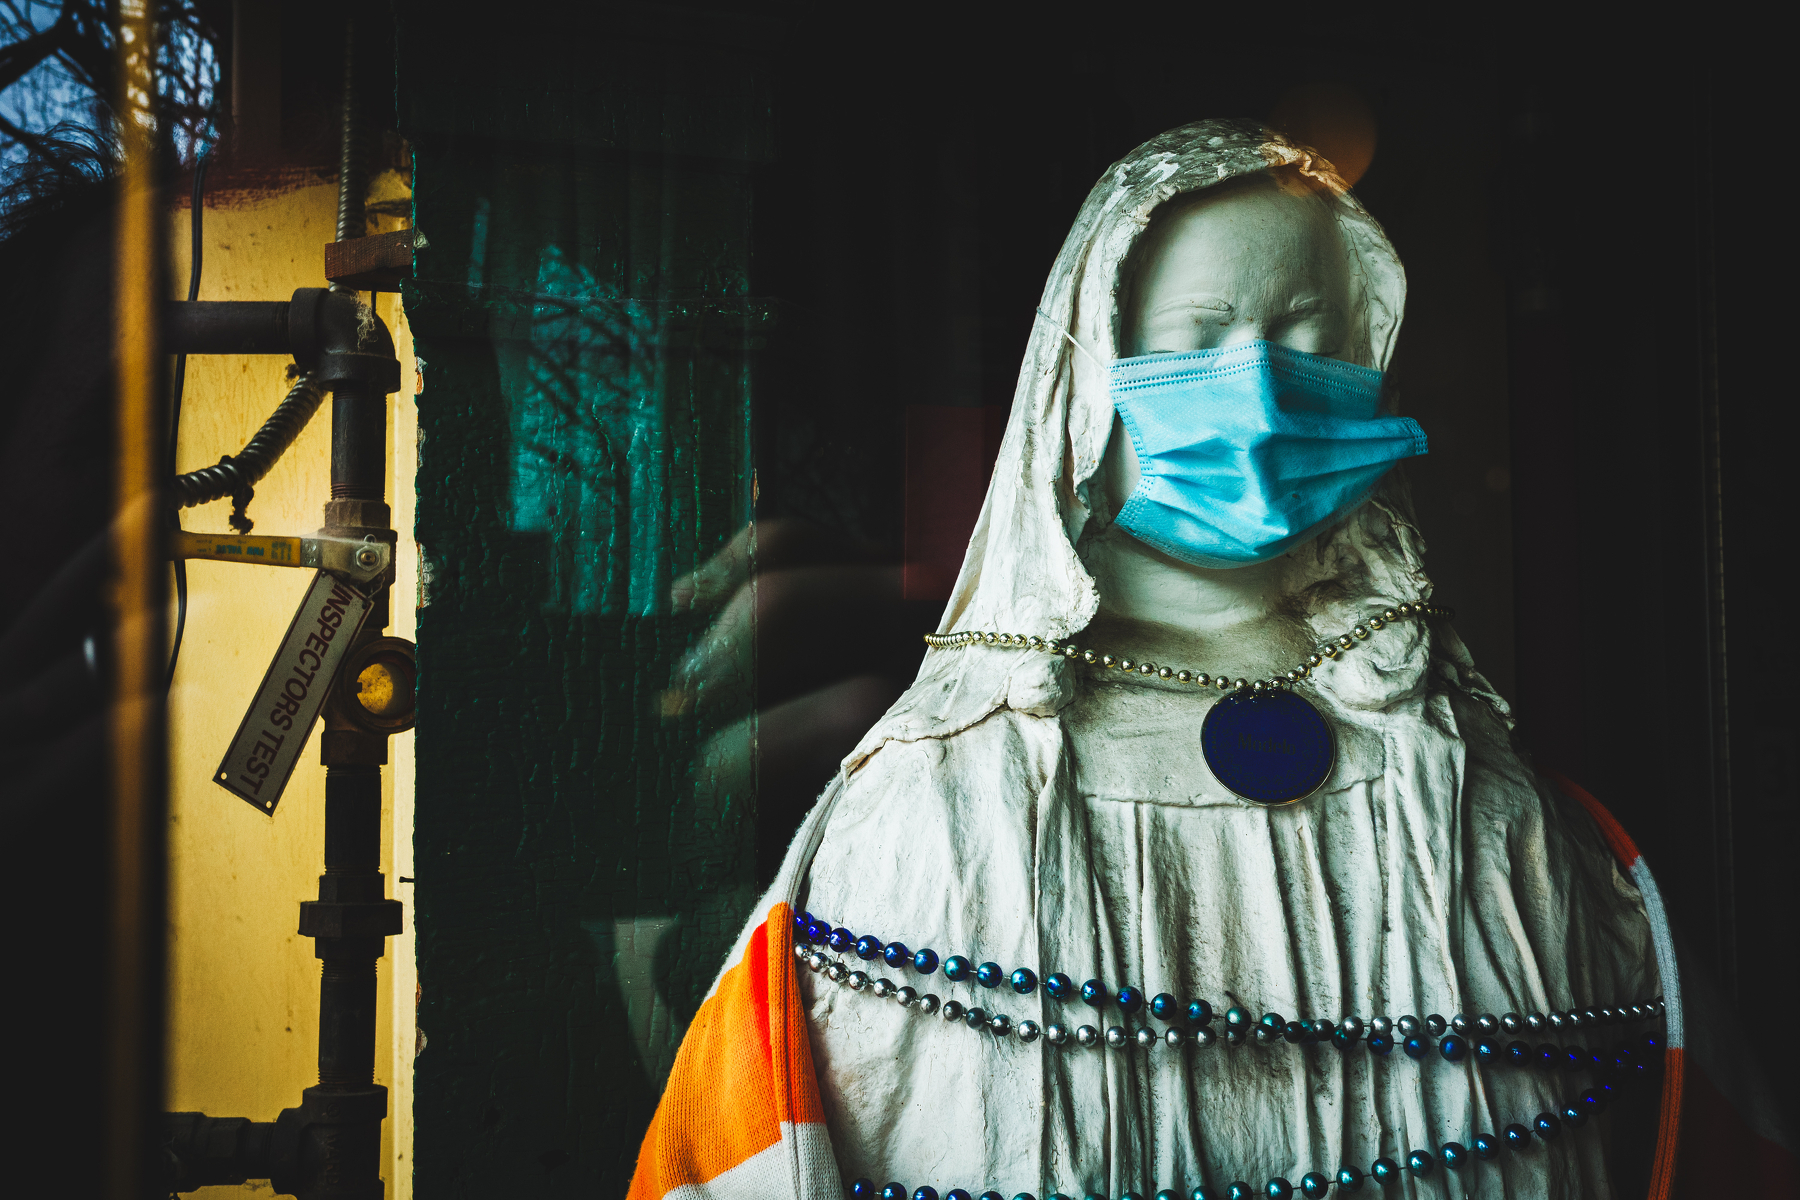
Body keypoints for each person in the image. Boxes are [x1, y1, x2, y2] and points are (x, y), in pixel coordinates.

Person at [631, 119, 1669, 1200]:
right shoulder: (944, 794)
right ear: (1087, 376)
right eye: (1199, 335)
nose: (1258, 389)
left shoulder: (1471, 779)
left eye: (1307, 336)